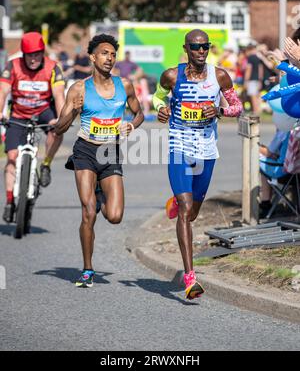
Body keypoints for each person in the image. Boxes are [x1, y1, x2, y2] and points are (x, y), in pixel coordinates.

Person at [152, 29, 243, 299]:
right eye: (196, 47)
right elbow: (158, 97)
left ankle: (176, 204)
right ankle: (191, 279)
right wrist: (161, 108)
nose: (201, 51)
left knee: (192, 213)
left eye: (205, 47)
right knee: (186, 208)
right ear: (186, 48)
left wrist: (221, 110)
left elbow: (238, 107)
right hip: (180, 146)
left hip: (206, 150)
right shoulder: (171, 75)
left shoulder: (220, 76)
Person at [55, 34, 144, 288]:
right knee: (88, 213)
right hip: (85, 151)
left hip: (110, 152)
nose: (110, 58)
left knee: (114, 216)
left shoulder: (124, 85)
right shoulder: (80, 89)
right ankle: (87, 269)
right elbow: (60, 129)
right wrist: (73, 110)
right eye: (104, 53)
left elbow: (139, 113)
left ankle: (98, 191)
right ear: (93, 57)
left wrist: (130, 125)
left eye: (113, 54)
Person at [0, 31, 65, 223]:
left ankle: (46, 165)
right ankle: (10, 201)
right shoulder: (12, 66)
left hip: (44, 110)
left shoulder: (53, 68)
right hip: (19, 113)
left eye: (37, 54)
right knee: (11, 158)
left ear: (42, 52)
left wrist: (61, 119)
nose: (34, 59)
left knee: (57, 130)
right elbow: (2, 91)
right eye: (30, 55)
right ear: (23, 54)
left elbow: (59, 95)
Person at [259, 130, 290, 218]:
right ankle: (266, 202)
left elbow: (268, 152)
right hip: (295, 173)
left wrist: (256, 146)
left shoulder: (284, 130)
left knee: (258, 160)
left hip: (284, 172)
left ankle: (265, 203)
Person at [244, 43, 264, 115]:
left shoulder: (250, 57)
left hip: (251, 79)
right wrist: (260, 80)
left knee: (253, 96)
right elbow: (260, 69)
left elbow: (249, 69)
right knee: (257, 96)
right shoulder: (258, 57)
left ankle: (255, 111)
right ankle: (258, 110)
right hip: (257, 79)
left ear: (249, 50)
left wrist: (246, 80)